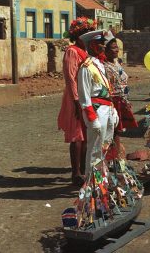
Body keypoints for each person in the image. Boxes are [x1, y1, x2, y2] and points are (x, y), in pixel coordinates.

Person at [58, 17, 97, 186]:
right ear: (79, 35)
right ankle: (76, 173)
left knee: (86, 134)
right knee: (77, 136)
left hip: (86, 97)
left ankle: (83, 168)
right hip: (76, 98)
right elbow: (70, 77)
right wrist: (76, 101)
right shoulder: (72, 51)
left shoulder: (87, 53)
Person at [77, 30, 119, 176]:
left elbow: (106, 90)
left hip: (106, 109)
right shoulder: (86, 66)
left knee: (105, 147)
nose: (103, 46)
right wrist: (91, 117)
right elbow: (84, 96)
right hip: (96, 110)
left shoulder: (100, 65)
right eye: (100, 44)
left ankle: (101, 178)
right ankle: (91, 182)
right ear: (92, 45)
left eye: (103, 43)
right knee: (94, 149)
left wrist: (113, 110)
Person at [104, 34, 138, 155]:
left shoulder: (117, 62)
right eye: (113, 48)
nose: (117, 50)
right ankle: (113, 157)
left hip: (121, 100)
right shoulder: (103, 66)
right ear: (106, 50)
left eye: (117, 47)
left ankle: (116, 156)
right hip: (112, 101)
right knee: (112, 130)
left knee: (117, 131)